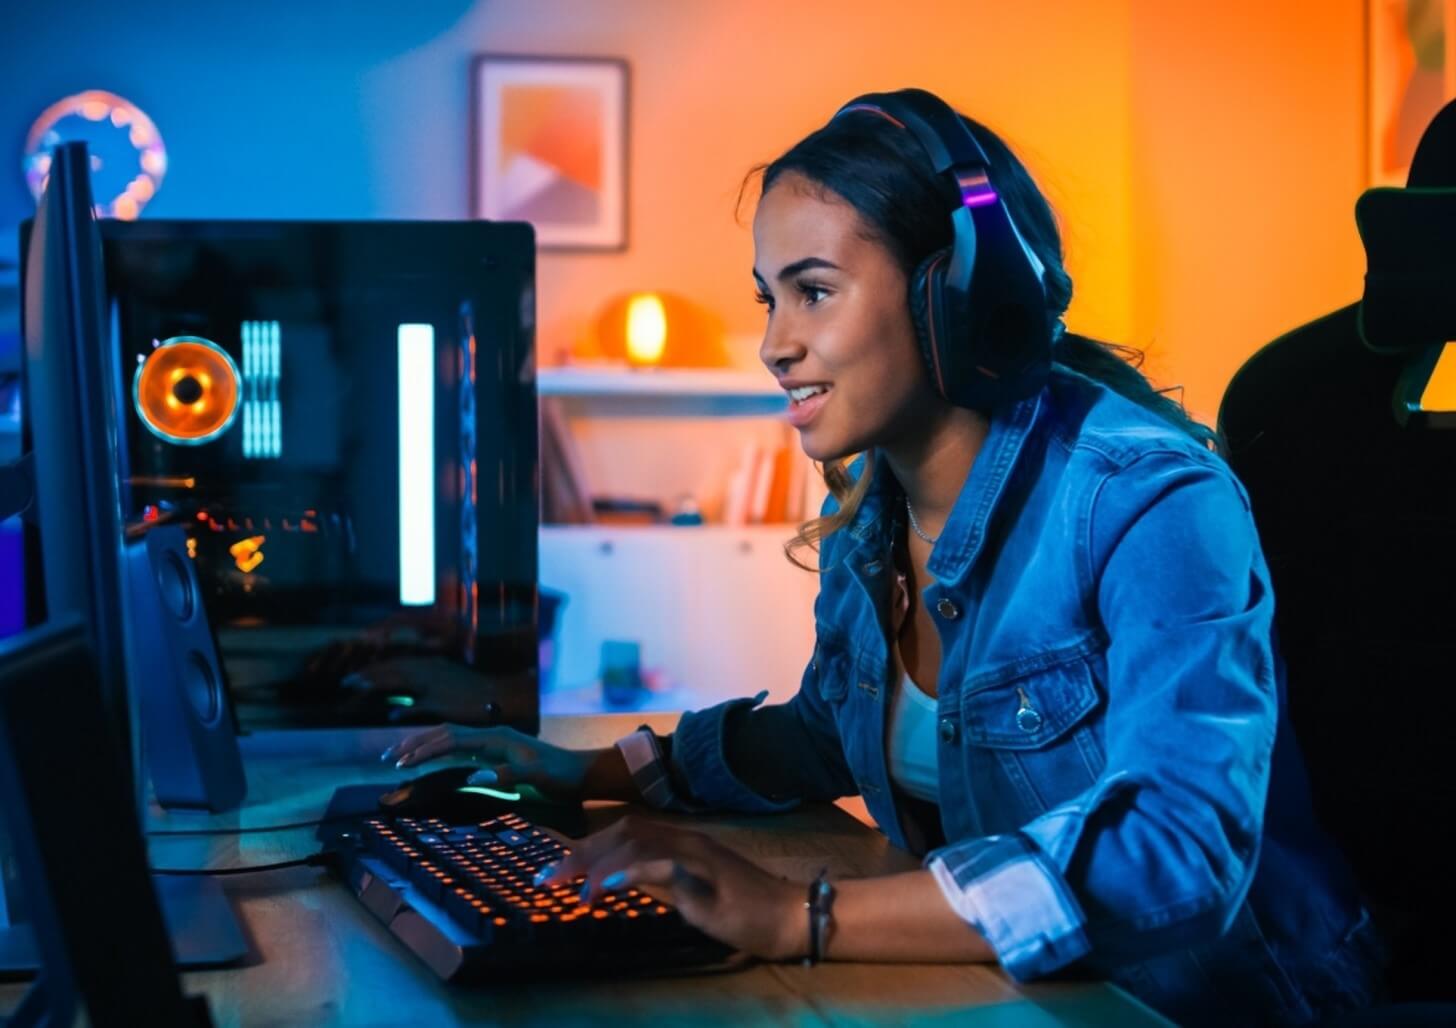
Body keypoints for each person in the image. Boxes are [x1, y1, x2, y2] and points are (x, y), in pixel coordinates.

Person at [384, 89, 1383, 1025]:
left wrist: (799, 914)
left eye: (813, 292)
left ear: (960, 297)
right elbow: (829, 732)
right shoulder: (871, 504)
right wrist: (583, 771)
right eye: (768, 299)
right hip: (1012, 995)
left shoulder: (1151, 501)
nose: (775, 344)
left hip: (1207, 1001)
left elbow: (1174, 852)